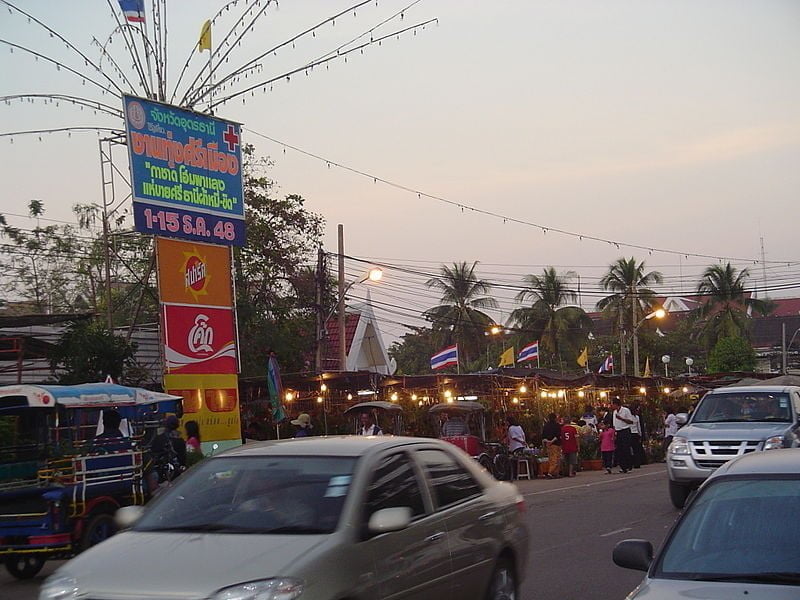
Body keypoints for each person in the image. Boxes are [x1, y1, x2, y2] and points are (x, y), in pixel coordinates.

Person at [150, 415, 187, 487]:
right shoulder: (180, 440)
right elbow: (183, 459)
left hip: (161, 474)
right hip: (176, 474)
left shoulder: (159, 438)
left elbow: (153, 454)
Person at [611, 397, 634, 473]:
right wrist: (614, 434)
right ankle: (622, 466)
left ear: (616, 404)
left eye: (612, 404)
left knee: (626, 449)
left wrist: (621, 418)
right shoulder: (614, 412)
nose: (612, 406)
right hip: (618, 432)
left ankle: (628, 466)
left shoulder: (625, 410)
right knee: (619, 450)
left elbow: (631, 421)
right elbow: (614, 424)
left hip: (625, 430)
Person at [541, 413, 562, 479]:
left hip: (548, 444)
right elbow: (558, 435)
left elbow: (543, 436)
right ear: (555, 418)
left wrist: (548, 441)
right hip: (556, 443)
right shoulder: (557, 425)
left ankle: (555, 473)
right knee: (556, 459)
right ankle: (550, 473)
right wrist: (552, 441)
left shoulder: (546, 426)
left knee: (551, 459)